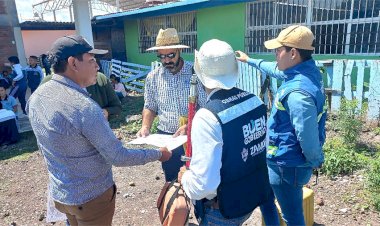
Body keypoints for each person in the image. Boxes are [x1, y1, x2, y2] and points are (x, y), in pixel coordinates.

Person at [26, 35, 172, 226]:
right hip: (90, 197)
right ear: (73, 63)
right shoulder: (83, 107)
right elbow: (118, 157)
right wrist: (158, 154)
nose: (97, 66)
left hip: (62, 194)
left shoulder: (37, 97)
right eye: (92, 60)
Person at [177, 39, 279, 226]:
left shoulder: (207, 116)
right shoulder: (254, 101)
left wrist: (186, 178)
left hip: (222, 210)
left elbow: (204, 185)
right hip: (249, 196)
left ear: (200, 72)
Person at [236, 25, 327, 226]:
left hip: (287, 163)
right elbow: (276, 70)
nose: (275, 55)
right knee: (267, 199)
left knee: (292, 216)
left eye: (278, 50)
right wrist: (249, 60)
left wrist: (316, 160)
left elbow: (307, 137)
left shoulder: (298, 94)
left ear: (293, 53)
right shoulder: (307, 71)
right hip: (283, 160)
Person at [136, 28, 207, 182]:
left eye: (170, 55)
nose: (166, 60)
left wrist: (191, 125)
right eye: (162, 57)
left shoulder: (196, 73)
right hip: (167, 138)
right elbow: (150, 106)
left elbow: (207, 107)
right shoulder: (153, 77)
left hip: (194, 135)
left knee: (198, 180)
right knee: (172, 181)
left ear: (179, 51)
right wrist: (145, 126)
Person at [42, 72, 122, 120]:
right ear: (72, 62)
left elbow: (117, 107)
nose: (97, 65)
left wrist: (106, 112)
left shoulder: (100, 79)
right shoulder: (48, 83)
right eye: (90, 60)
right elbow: (40, 116)